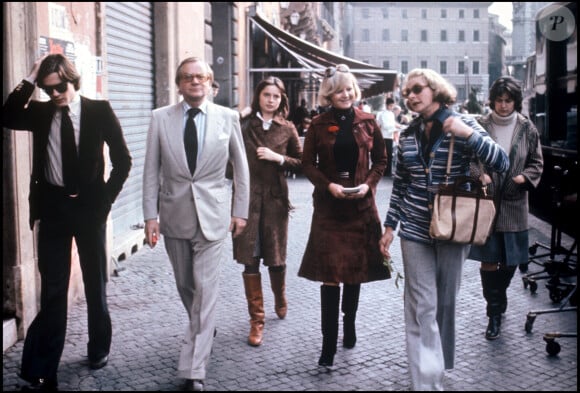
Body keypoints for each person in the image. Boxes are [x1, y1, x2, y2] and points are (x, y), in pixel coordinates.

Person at [2, 53, 132, 391]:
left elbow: (123, 160)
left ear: (72, 80)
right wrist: (30, 79)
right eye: (48, 90)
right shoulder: (43, 112)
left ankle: (98, 346)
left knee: (95, 284)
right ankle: (44, 372)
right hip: (54, 209)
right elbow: (8, 115)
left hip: (90, 209)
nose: (55, 94)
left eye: (59, 87)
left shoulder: (98, 111)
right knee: (54, 292)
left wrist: (105, 201)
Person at [378, 68, 509, 391]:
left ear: (435, 90)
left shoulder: (464, 125)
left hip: (454, 228)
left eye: (417, 89)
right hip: (415, 231)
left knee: (445, 303)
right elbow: (401, 185)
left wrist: (468, 135)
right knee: (422, 305)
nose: (410, 96)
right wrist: (390, 226)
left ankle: (437, 363)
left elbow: (502, 163)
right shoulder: (407, 135)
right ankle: (425, 380)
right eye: (406, 91)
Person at [142, 57, 250, 392]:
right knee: (186, 286)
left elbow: (241, 169)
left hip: (214, 216)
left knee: (206, 291)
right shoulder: (160, 119)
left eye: (200, 76)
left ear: (210, 81)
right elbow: (150, 171)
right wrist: (150, 217)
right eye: (187, 77)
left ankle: (193, 369)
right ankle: (204, 326)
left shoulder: (227, 118)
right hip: (174, 215)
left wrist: (240, 211)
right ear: (179, 83)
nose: (194, 82)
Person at [298, 64, 391, 369]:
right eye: (339, 90)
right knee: (330, 276)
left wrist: (369, 184)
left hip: (360, 209)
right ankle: (328, 346)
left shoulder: (368, 122)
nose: (345, 94)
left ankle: (349, 323)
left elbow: (381, 160)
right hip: (329, 209)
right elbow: (307, 164)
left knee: (355, 271)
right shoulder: (317, 124)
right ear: (329, 93)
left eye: (349, 89)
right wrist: (328, 186)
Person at [468, 76, 543, 340]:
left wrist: (524, 178)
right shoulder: (479, 125)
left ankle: (498, 299)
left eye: (507, 100)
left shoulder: (527, 128)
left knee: (511, 260)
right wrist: (480, 175)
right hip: (487, 202)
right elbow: (469, 158)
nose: (502, 105)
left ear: (515, 102)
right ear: (492, 100)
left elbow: (536, 162)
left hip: (513, 202)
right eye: (498, 100)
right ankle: (494, 313)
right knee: (489, 260)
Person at [232, 76, 302, 347]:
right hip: (247, 202)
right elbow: (228, 155)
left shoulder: (287, 128)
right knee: (250, 258)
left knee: (275, 258)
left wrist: (279, 158)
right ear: (258, 97)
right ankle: (257, 320)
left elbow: (304, 162)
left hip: (275, 203)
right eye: (266, 95)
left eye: (276, 96)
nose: (271, 100)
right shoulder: (243, 126)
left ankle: (280, 296)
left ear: (281, 100)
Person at [376, 97, 400, 176]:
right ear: (387, 105)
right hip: (384, 136)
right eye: (391, 105)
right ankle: (384, 171)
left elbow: (392, 123)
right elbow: (385, 126)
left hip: (390, 136)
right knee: (385, 155)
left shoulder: (391, 114)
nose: (392, 107)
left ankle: (388, 171)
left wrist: (397, 126)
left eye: (393, 105)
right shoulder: (382, 114)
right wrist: (394, 128)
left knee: (389, 155)